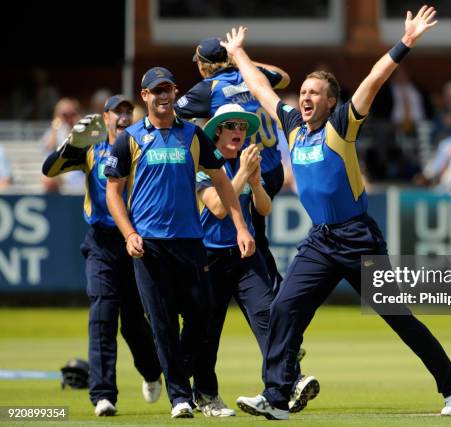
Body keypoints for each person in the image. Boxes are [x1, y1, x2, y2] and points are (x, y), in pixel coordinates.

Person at [222, 5, 451, 420]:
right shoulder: (292, 127)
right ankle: (278, 398)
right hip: (321, 239)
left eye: (314, 92)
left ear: (331, 100)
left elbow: (373, 79)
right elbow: (263, 92)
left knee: (399, 318)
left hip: (358, 237)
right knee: (284, 309)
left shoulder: (341, 124)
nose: (304, 96)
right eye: (302, 91)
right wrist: (238, 55)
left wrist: (405, 42)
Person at [104, 67, 255, 418]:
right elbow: (113, 193)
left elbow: (221, 181)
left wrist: (241, 227)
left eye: (169, 89)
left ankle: (194, 387)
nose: (164, 96)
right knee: (163, 324)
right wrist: (129, 234)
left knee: (203, 318)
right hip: (149, 245)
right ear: (145, 96)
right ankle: (181, 398)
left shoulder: (193, 135)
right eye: (157, 90)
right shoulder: (128, 139)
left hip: (190, 242)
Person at [192, 104, 317, 417]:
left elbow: (264, 209)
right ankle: (205, 395)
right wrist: (245, 174)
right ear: (217, 131)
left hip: (244, 255)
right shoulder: (203, 164)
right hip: (209, 256)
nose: (239, 132)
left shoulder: (245, 163)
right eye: (231, 126)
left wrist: (257, 182)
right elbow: (218, 208)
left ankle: (287, 382)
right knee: (208, 330)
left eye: (243, 127)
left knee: (270, 316)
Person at [41, 95, 163, 416]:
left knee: (135, 325)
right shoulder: (91, 148)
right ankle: (103, 395)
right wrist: (72, 144)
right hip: (101, 243)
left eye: (128, 111)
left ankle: (152, 372)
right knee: (102, 316)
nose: (123, 116)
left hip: (136, 242)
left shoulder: (142, 144)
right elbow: (49, 169)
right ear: (105, 117)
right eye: (117, 112)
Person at [175, 37, 290, 289]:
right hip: (272, 168)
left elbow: (172, 114)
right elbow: (284, 77)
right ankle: (265, 290)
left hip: (246, 169)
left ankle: (270, 292)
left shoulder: (208, 87)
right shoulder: (251, 74)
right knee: (255, 234)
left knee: (250, 238)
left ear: (204, 66)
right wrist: (240, 57)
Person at [41, 98, 84, 193]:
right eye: (65, 114)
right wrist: (56, 123)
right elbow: (48, 147)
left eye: (72, 114)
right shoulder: (55, 131)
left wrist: (77, 124)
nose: (68, 117)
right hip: (60, 174)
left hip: (79, 173)